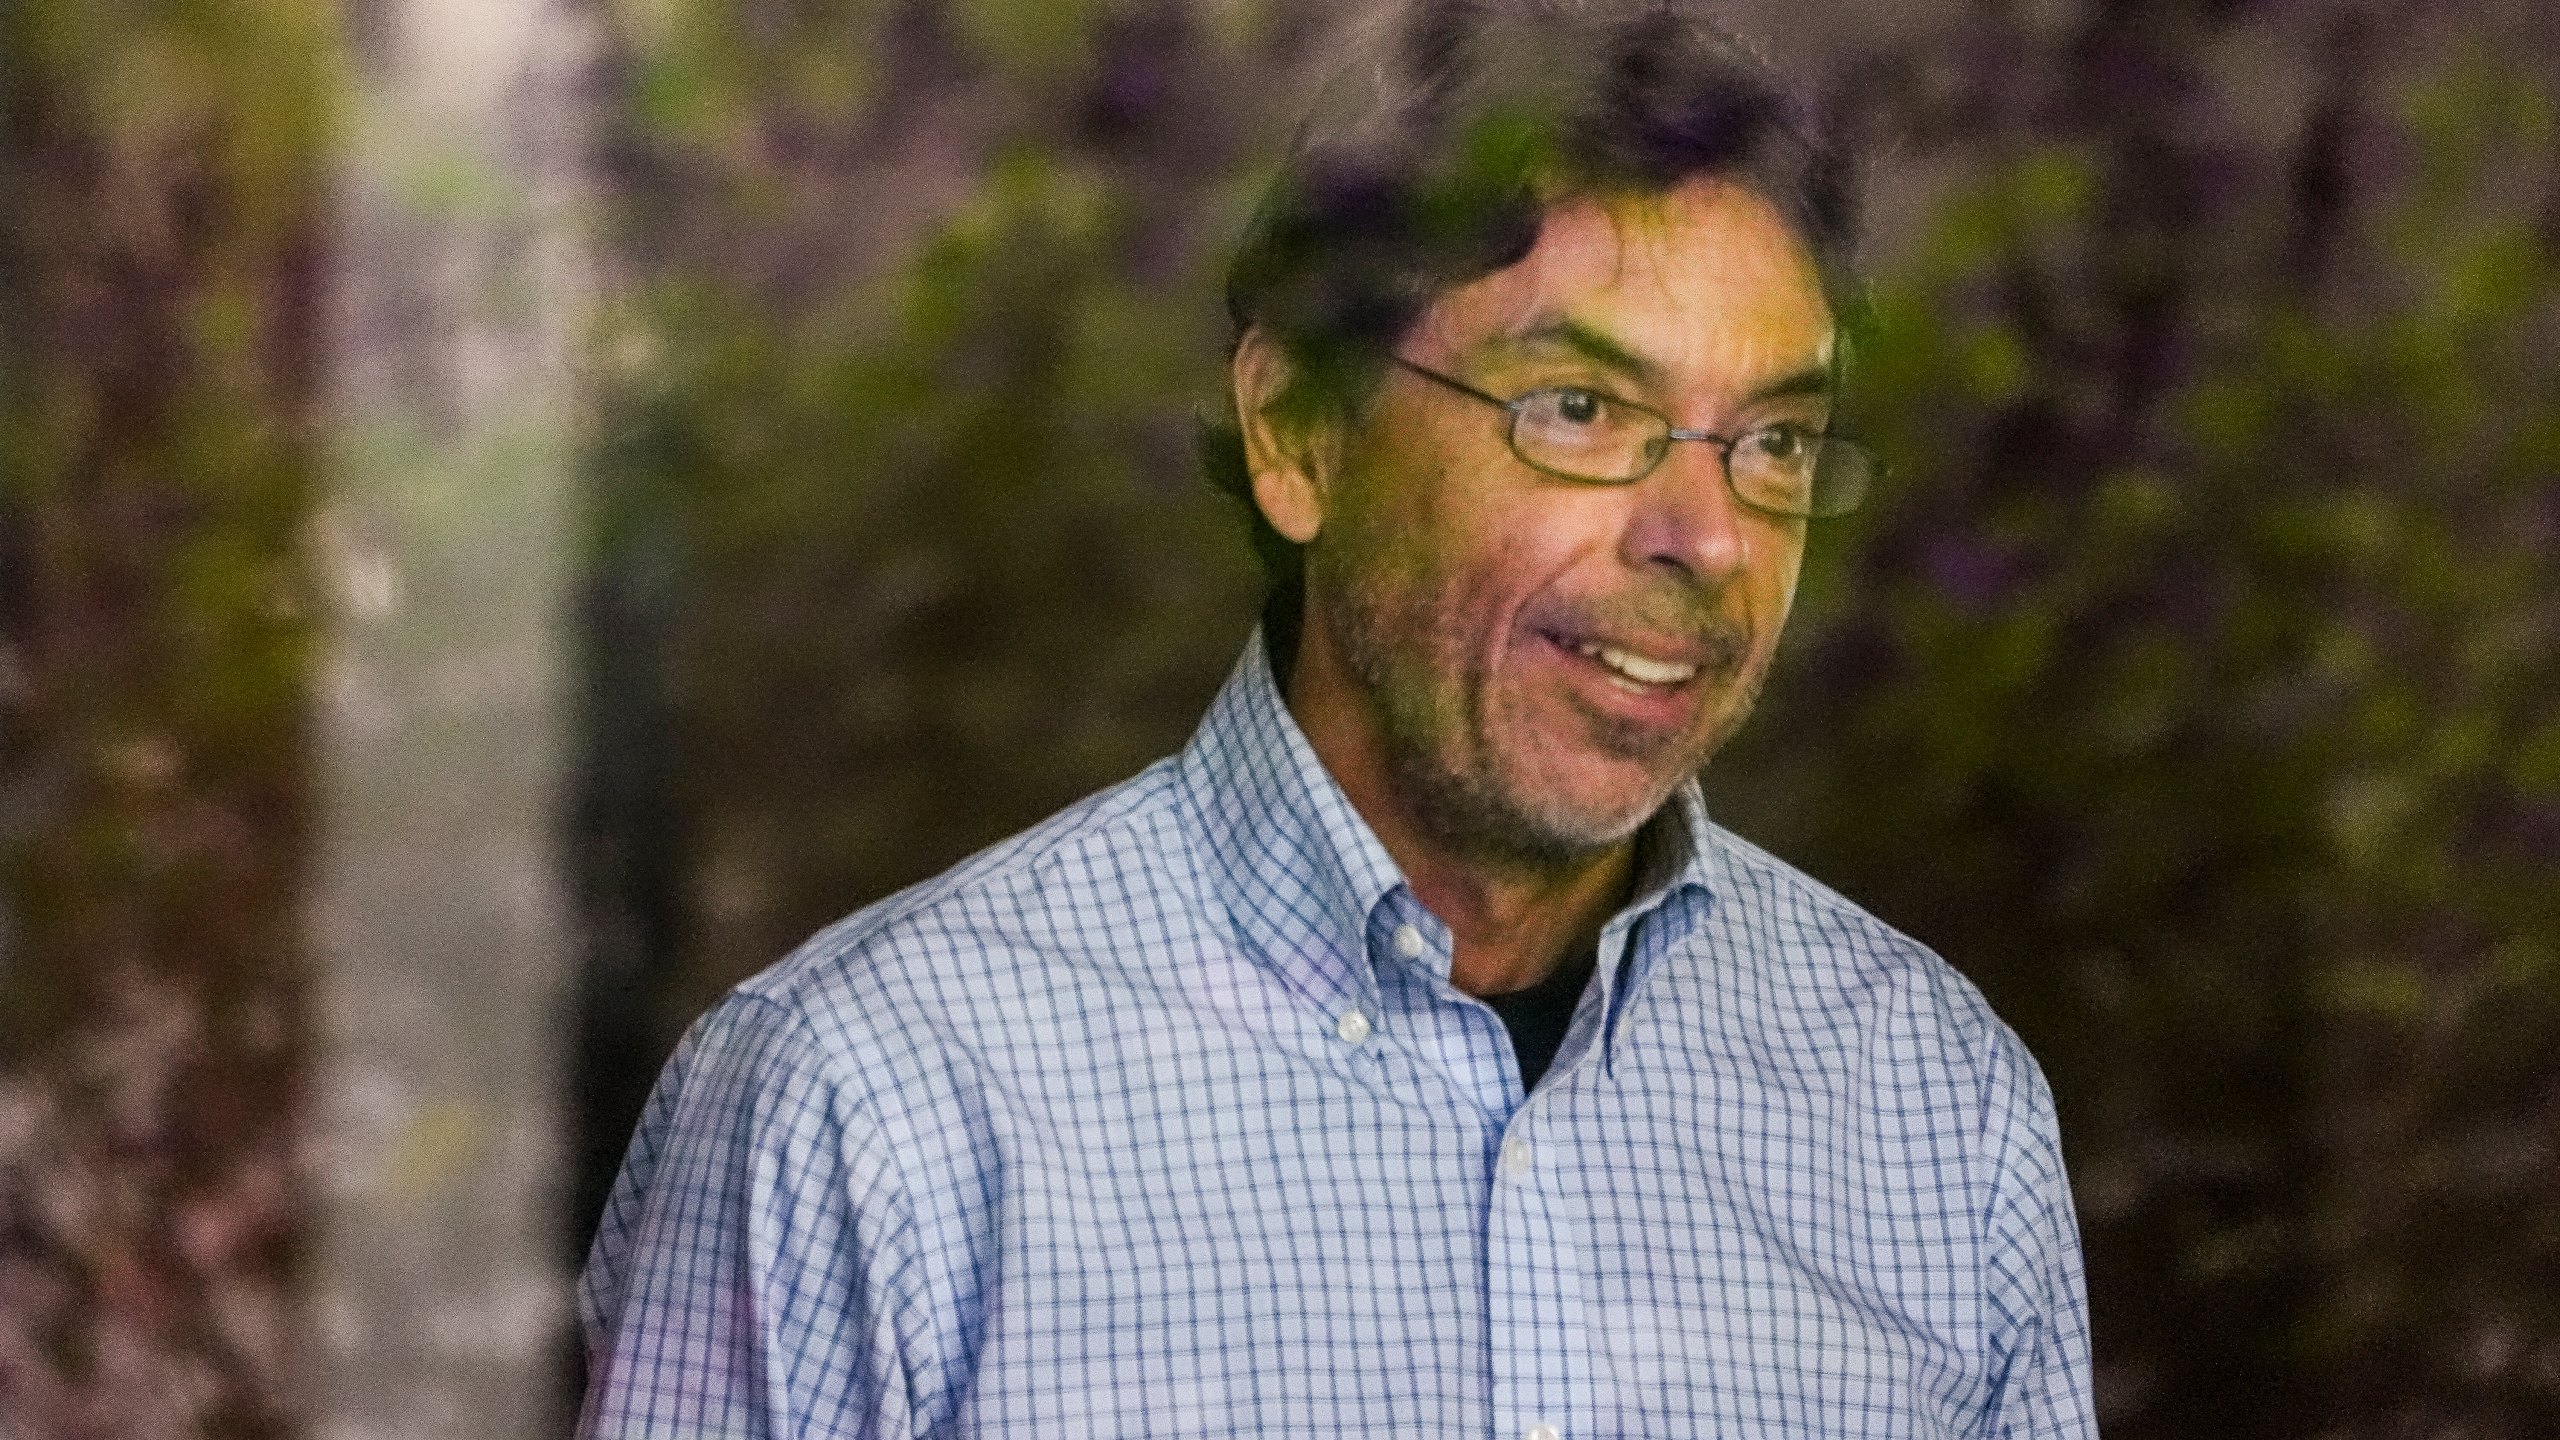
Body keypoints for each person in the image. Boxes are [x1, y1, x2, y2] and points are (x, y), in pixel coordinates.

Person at [577, 1, 2098, 1435]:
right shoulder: (864, 1107)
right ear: (1299, 432)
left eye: (1773, 439)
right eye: (1578, 409)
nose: (1704, 538)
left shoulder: (1937, 1111)